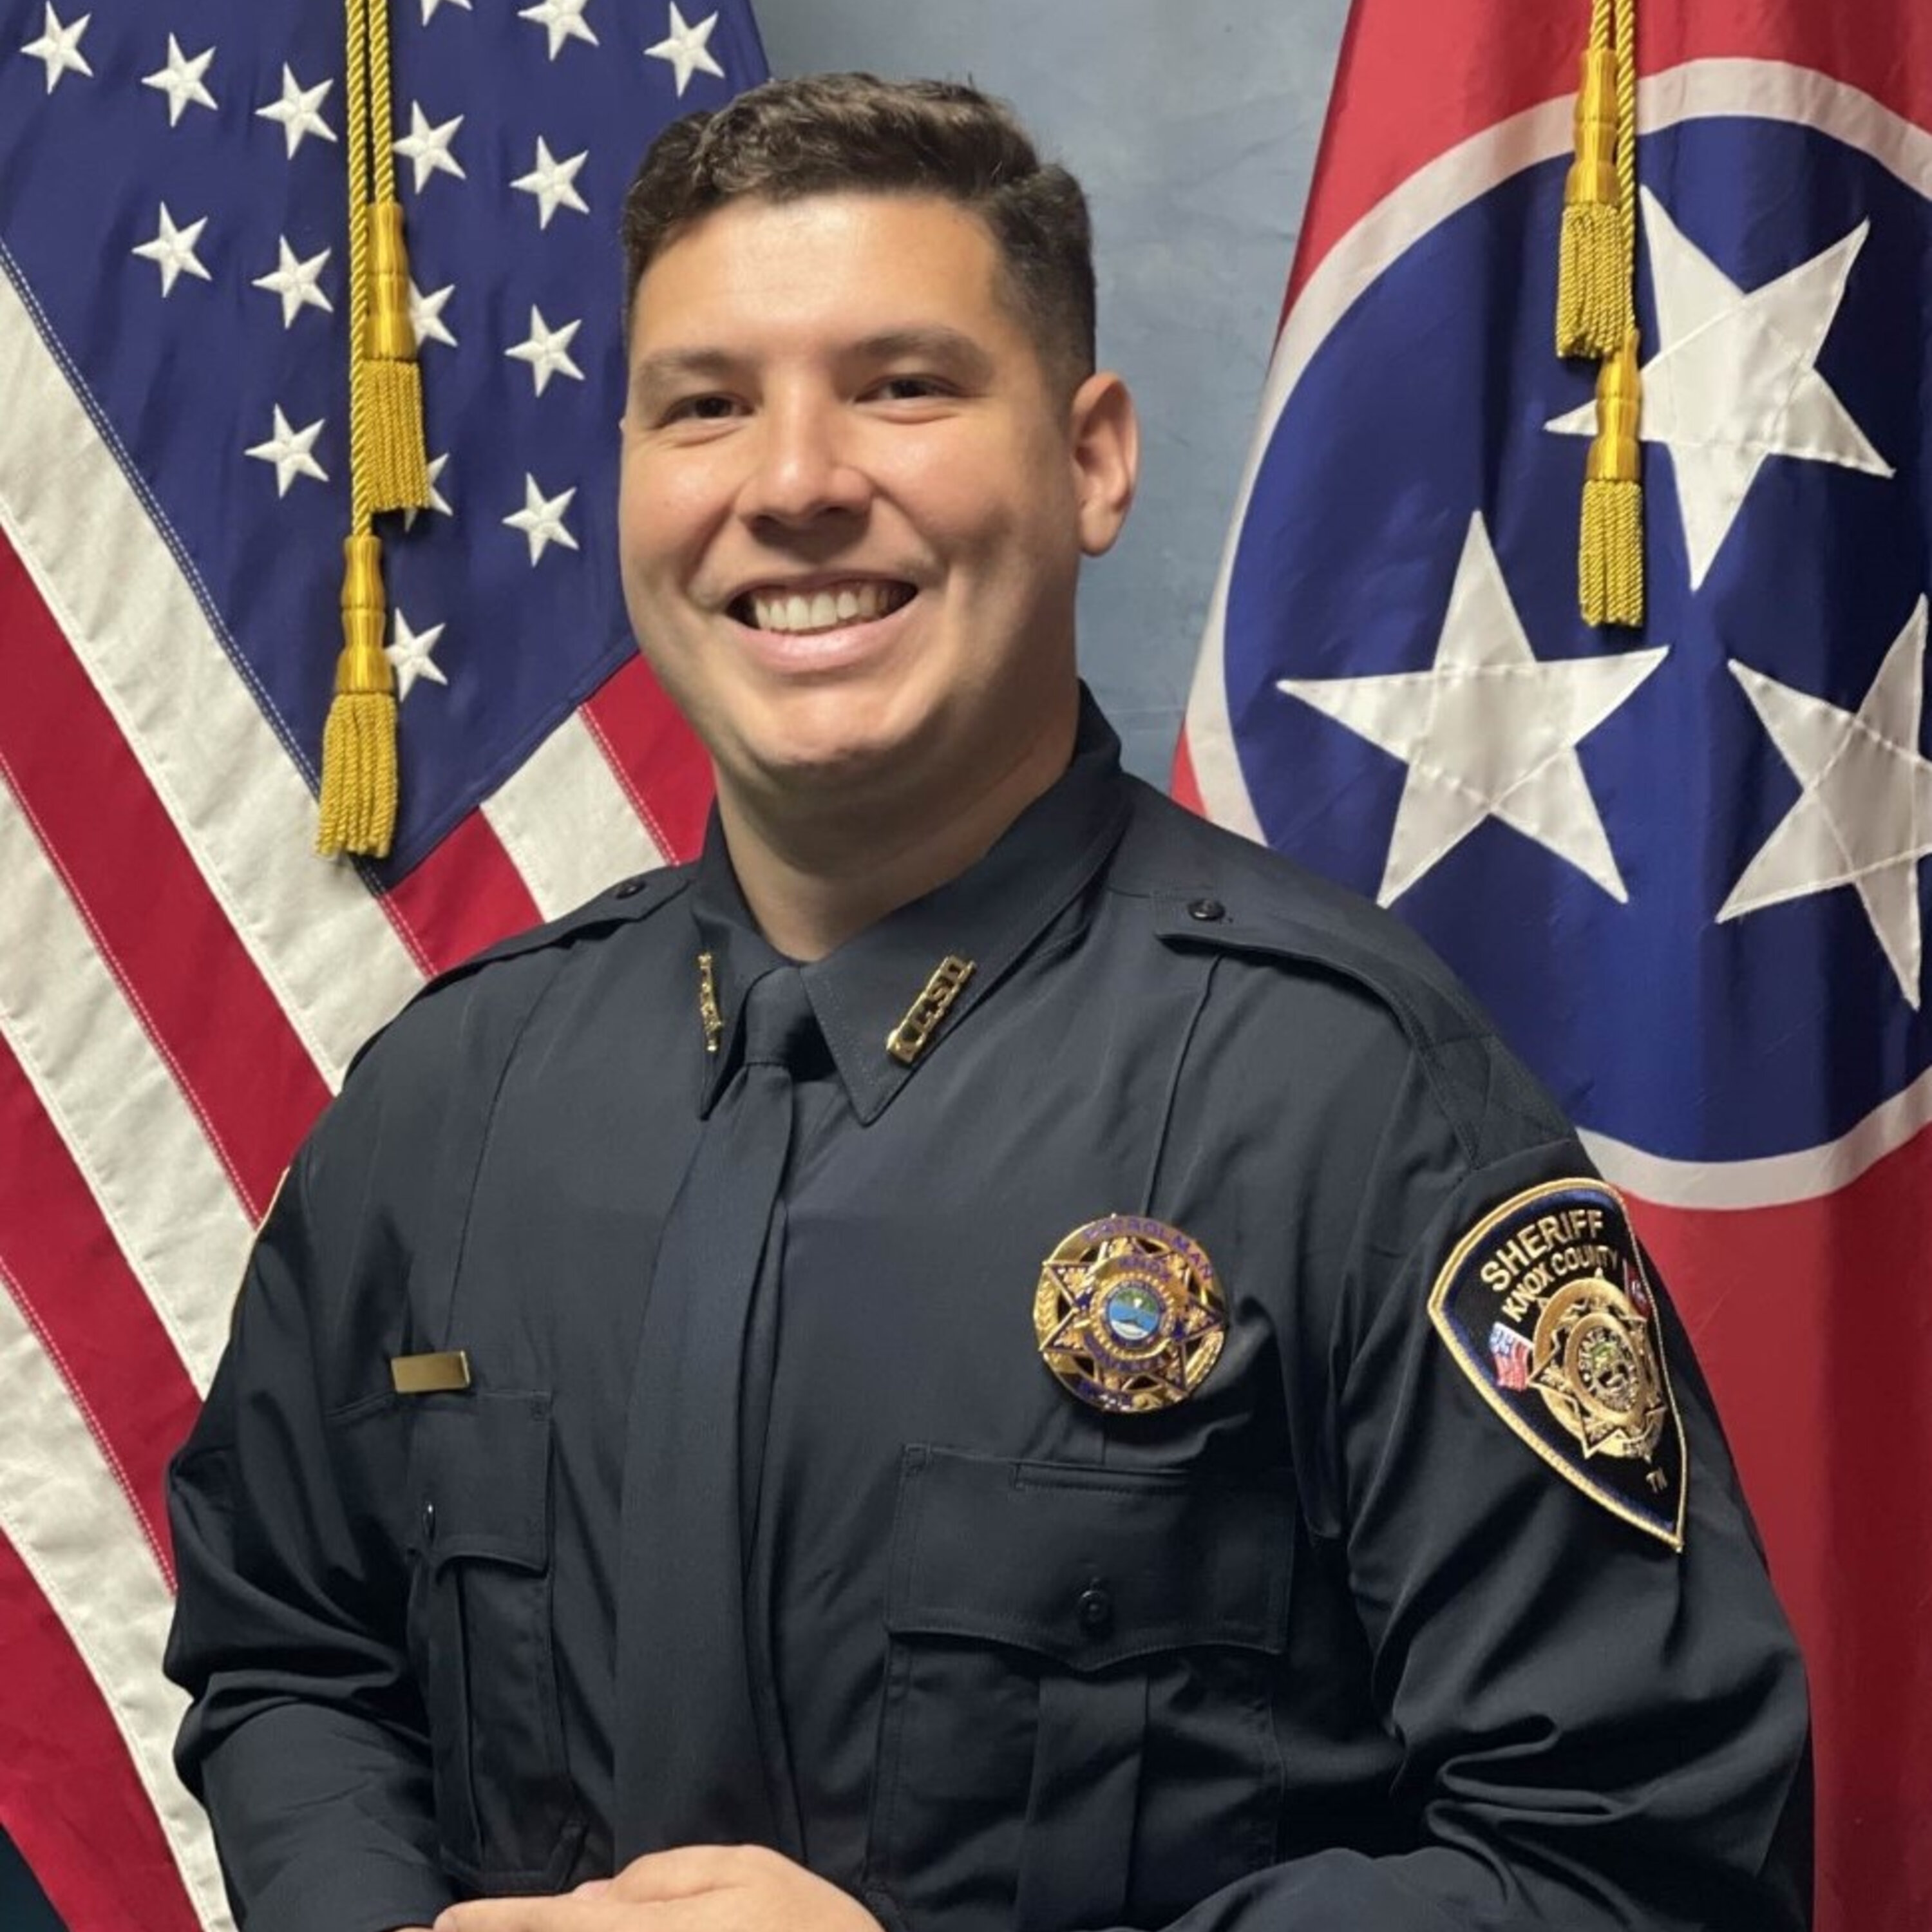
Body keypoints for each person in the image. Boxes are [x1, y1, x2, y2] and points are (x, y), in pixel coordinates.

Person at [164, 73, 1812, 1932]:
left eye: (902, 386)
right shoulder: (446, 1104)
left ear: (1093, 460)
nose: (793, 483)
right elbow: (288, 1657)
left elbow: (1635, 1862)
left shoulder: (1357, 1106)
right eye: (705, 406)